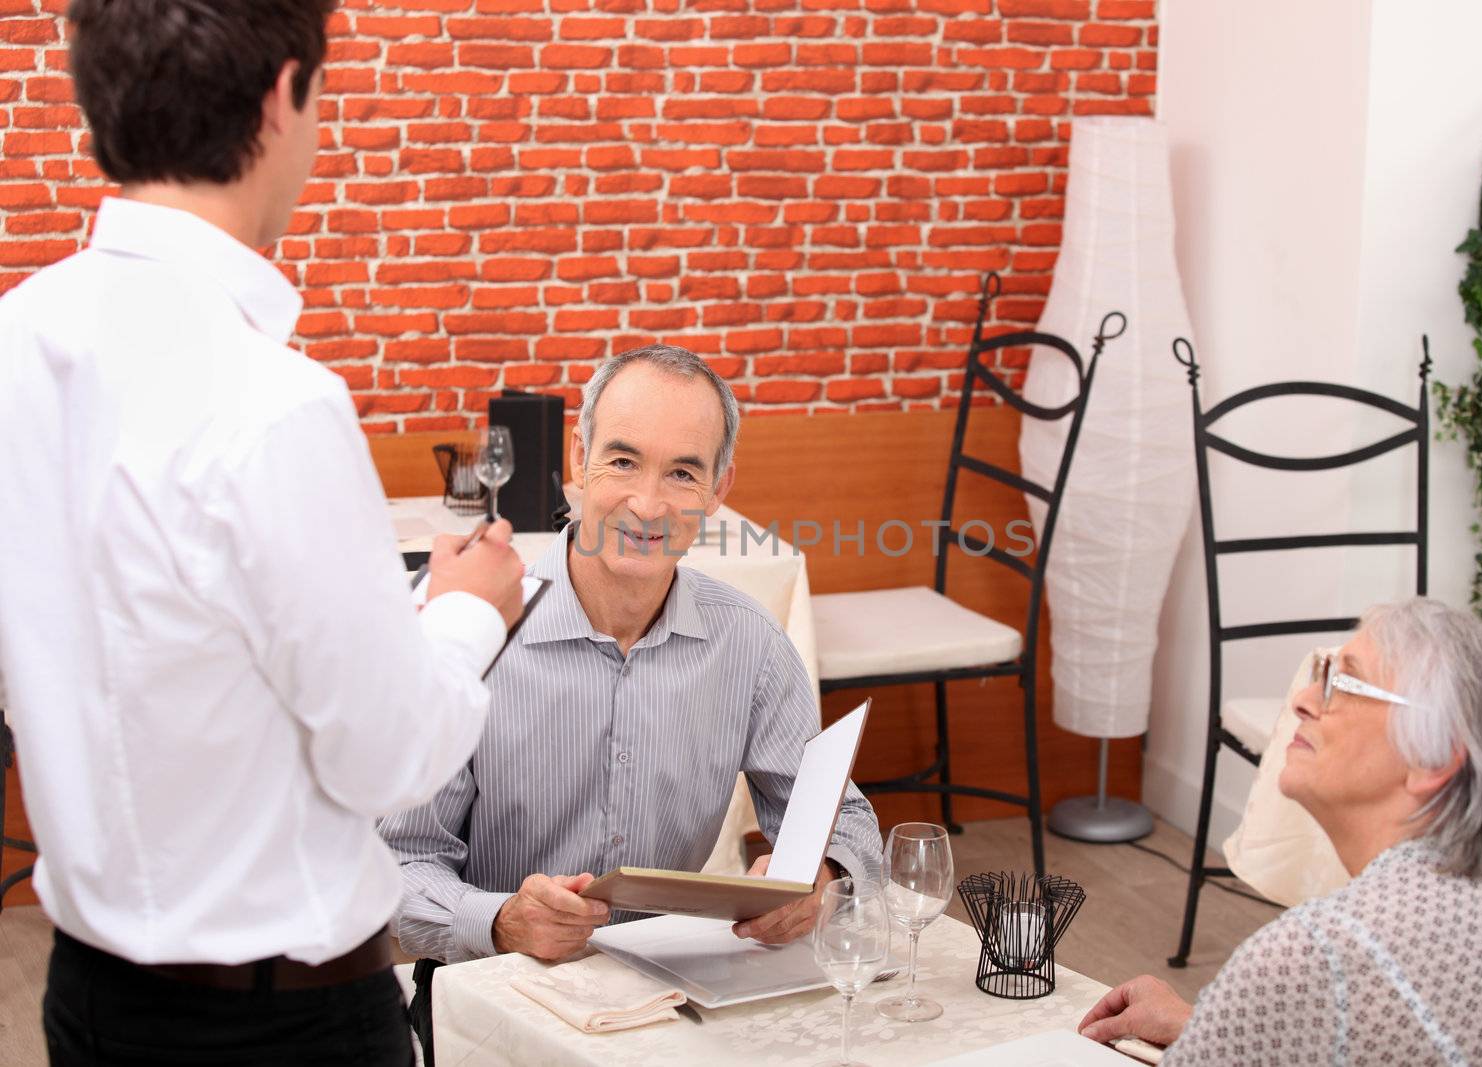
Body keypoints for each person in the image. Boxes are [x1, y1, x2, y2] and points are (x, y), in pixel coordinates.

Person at [0, 2, 527, 1063]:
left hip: (87, 995)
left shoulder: (16, 339)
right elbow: (387, 757)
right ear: (285, 96)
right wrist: (467, 613)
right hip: (278, 1021)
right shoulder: (271, 400)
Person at [380, 344, 883, 1058]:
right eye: (622, 461)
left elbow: (848, 821)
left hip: (678, 1003)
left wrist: (822, 877)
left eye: (683, 472)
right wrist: (500, 919)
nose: (649, 503)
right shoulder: (474, 630)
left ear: (718, 486)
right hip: (493, 998)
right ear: (579, 456)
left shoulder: (750, 645)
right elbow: (395, 863)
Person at [1078, 598, 1482, 1065]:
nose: (1303, 699)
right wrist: (1212, 1030)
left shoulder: (1317, 954)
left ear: (1434, 759)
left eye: (1342, 683)